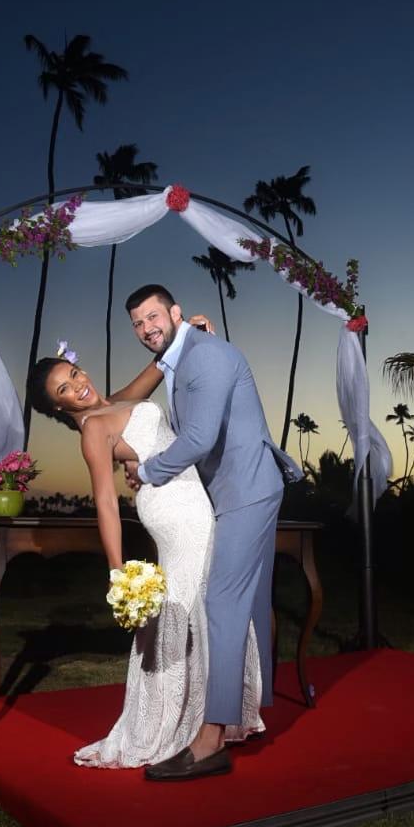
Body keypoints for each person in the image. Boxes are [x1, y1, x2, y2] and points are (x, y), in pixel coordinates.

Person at [27, 311, 263, 769]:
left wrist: (188, 333)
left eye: (74, 374)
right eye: (64, 390)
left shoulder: (112, 402)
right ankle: (183, 722)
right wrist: (117, 572)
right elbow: (105, 503)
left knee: (205, 603)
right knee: (192, 603)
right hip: (175, 511)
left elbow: (160, 365)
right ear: (58, 407)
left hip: (193, 500)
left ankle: (212, 718)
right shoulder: (93, 430)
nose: (78, 386)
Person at [124, 284, 302, 782]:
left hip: (247, 490)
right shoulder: (184, 361)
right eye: (138, 323)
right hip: (235, 493)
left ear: (176, 312)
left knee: (221, 603)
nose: (146, 328)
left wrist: (148, 470)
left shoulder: (209, 356)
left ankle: (211, 739)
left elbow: (199, 439)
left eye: (153, 316)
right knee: (246, 603)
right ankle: (244, 716)